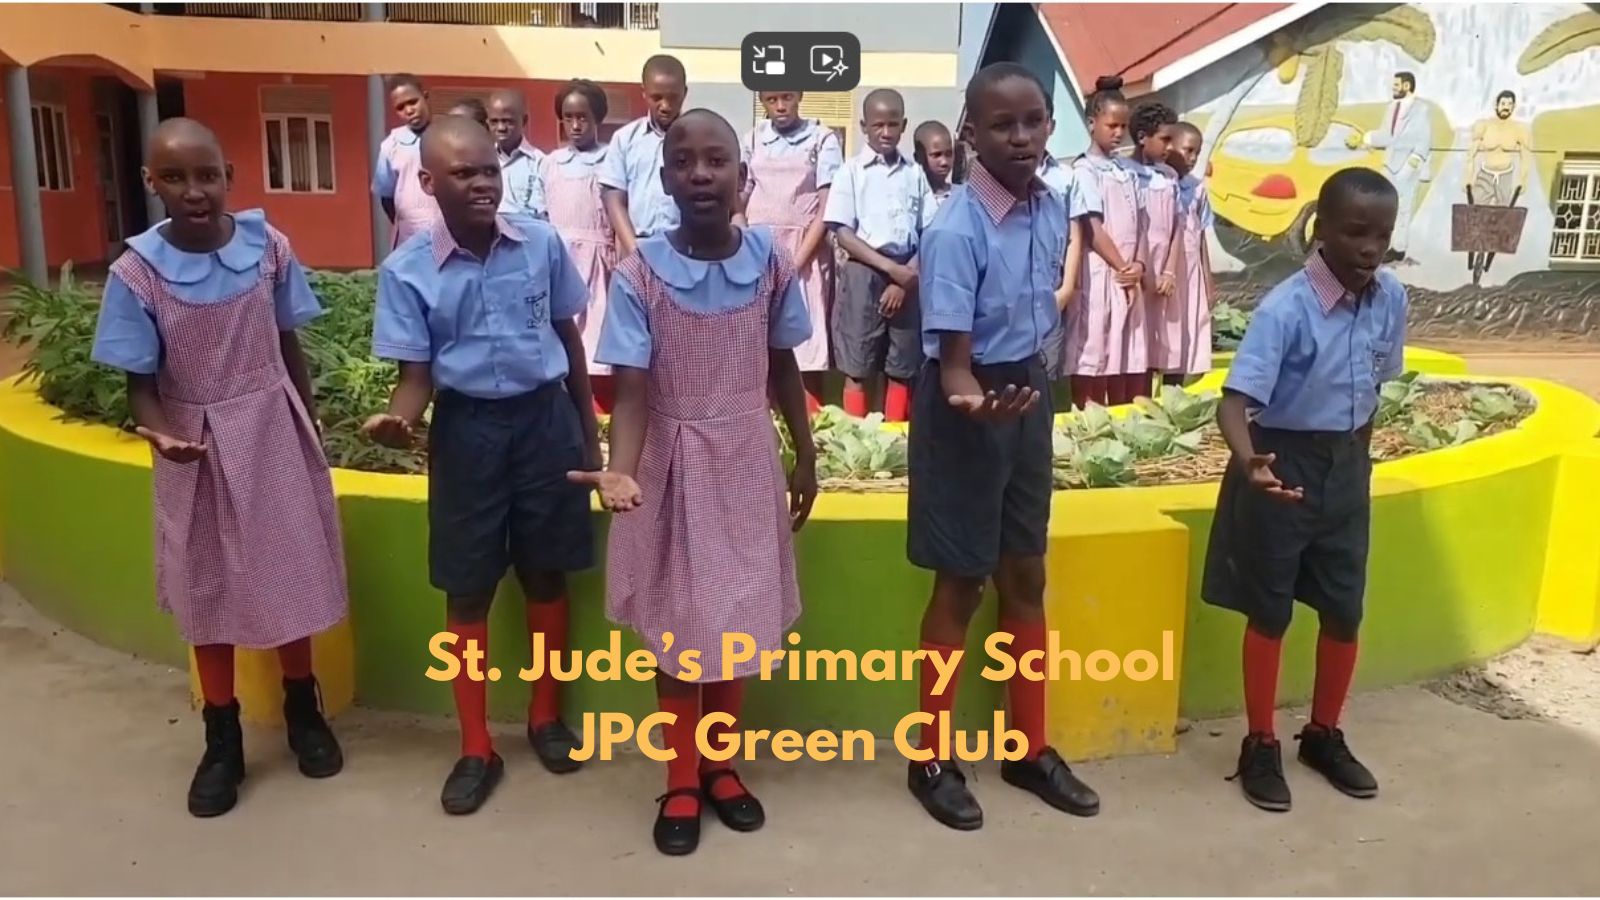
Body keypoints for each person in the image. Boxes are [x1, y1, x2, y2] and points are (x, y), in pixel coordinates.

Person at [572, 109, 818, 856]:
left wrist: (803, 455)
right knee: (680, 634)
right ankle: (682, 776)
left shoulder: (771, 263)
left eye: (717, 161)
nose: (701, 174)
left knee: (736, 625)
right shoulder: (639, 271)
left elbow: (783, 367)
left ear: (744, 178)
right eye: (685, 162)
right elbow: (635, 390)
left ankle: (721, 765)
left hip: (743, 460)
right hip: (670, 466)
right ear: (665, 178)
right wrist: (621, 467)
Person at [89, 118, 347, 818]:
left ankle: (302, 706)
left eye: (206, 175)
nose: (194, 191)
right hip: (194, 440)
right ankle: (222, 734)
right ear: (151, 182)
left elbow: (288, 343)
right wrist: (159, 433)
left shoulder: (269, 249)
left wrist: (309, 422)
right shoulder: (136, 272)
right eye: (174, 177)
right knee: (207, 587)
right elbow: (139, 379)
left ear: (228, 175)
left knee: (287, 568)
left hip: (270, 426)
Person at [363, 116, 602, 815]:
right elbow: (416, 376)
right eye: (463, 174)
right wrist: (399, 418)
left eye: (490, 170)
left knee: (546, 571)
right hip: (467, 432)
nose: (481, 184)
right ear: (428, 183)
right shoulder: (408, 271)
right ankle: (474, 746)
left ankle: (544, 716)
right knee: (467, 587)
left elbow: (570, 340)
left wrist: (588, 435)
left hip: (544, 421)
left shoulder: (541, 244)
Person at [905, 62, 1099, 832]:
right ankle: (931, 756)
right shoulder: (956, 226)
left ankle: (1027, 746)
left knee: (1028, 570)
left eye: (1035, 120)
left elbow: (1039, 315)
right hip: (966, 404)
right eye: (1002, 125)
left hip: (1022, 396)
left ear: (1051, 124)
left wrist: (1023, 400)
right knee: (963, 581)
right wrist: (968, 399)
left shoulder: (1050, 209)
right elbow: (952, 360)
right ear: (971, 135)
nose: (1021, 137)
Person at [1203, 167, 1405, 813]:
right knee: (1272, 612)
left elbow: (1376, 385)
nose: (1370, 247)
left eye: (1382, 234)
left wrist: (1357, 461)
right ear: (1321, 230)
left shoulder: (1391, 297)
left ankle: (1323, 734)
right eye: (1355, 232)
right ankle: (1260, 743)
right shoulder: (1285, 308)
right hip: (1278, 464)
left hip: (1346, 468)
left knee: (1345, 607)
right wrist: (1251, 464)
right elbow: (1233, 405)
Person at [824, 88, 937, 421]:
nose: (885, 133)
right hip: (865, 271)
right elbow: (843, 233)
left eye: (892, 125)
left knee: (901, 365)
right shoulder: (851, 172)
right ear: (864, 126)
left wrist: (906, 277)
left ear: (903, 125)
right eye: (878, 125)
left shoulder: (914, 174)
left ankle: (895, 437)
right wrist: (889, 268)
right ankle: (856, 436)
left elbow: (929, 230)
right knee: (857, 363)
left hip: (908, 274)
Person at [738, 90, 844, 412]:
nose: (780, 106)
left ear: (799, 96)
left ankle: (810, 430)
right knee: (758, 345)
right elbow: (739, 198)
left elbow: (827, 207)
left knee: (806, 347)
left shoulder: (821, 139)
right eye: (771, 100)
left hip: (805, 255)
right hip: (759, 255)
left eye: (787, 97)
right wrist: (747, 248)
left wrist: (794, 264)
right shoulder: (753, 140)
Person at [530, 79, 617, 413]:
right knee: (564, 335)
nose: (576, 125)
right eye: (569, 117)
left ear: (597, 118)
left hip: (600, 260)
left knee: (598, 335)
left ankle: (601, 409)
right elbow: (541, 216)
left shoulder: (610, 159)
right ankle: (566, 406)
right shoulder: (549, 164)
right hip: (561, 259)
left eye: (584, 117)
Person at [1068, 75, 1145, 409]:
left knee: (1125, 349)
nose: (1118, 133)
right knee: (1095, 346)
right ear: (1091, 124)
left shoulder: (1128, 171)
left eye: (1123, 126)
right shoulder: (1084, 171)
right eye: (1112, 125)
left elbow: (1142, 223)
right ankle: (1089, 416)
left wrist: (1139, 265)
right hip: (1101, 274)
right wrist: (1122, 266)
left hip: (1129, 276)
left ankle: (1123, 416)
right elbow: (1092, 228)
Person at [600, 54, 688, 258]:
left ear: (684, 93)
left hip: (686, 250)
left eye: (673, 97)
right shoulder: (625, 139)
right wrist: (634, 251)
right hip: (638, 245)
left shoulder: (697, 138)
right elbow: (614, 200)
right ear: (644, 93)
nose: (665, 106)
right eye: (657, 97)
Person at [1347, 71, 1430, 264]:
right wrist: (1365, 138)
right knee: (1383, 205)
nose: (1393, 88)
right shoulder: (1392, 107)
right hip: (1390, 163)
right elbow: (1386, 134)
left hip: (1407, 166)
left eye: (1396, 85)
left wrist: (1412, 164)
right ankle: (1381, 243)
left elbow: (1424, 139)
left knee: (1403, 208)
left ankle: (1399, 248)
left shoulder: (1421, 109)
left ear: (1407, 86)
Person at [1131, 101, 1181, 401]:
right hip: (1139, 272)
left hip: (1163, 275)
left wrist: (1170, 270)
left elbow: (1176, 229)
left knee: (1164, 340)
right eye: (1164, 139)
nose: (1169, 147)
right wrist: (1142, 269)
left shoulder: (1169, 177)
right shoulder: (1125, 174)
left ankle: (1164, 402)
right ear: (1141, 137)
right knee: (1137, 343)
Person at [1163, 122, 1216, 384]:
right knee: (1164, 333)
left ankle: (1174, 389)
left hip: (1190, 274)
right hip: (1167, 273)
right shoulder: (1159, 184)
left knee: (1186, 332)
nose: (1193, 158)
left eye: (1197, 152)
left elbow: (1202, 236)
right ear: (1169, 147)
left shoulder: (1197, 189)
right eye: (1188, 150)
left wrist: (1207, 279)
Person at [1464, 89, 1533, 279]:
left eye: (1510, 105)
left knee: (1502, 218)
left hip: (1505, 175)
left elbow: (1525, 156)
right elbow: (1471, 153)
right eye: (1503, 103)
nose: (1506, 107)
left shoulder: (1518, 129)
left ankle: (1489, 257)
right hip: (1486, 174)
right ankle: (1473, 254)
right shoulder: (1485, 126)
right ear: (1497, 105)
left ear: (1513, 107)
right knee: (1476, 214)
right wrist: (1467, 177)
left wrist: (1523, 179)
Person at [373, 73, 441, 250]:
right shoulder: (391, 146)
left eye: (413, 102)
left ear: (425, 97)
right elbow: (386, 197)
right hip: (409, 239)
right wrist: (406, 221)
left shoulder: (447, 136)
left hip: (447, 235)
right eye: (400, 107)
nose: (409, 110)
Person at [487, 88, 545, 217]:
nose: (501, 128)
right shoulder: (483, 161)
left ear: (524, 121)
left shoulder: (539, 163)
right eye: (494, 122)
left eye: (507, 121)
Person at [913, 119, 956, 217]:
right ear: (918, 157)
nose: (944, 162)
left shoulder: (962, 196)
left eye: (949, 154)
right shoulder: (912, 198)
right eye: (936, 155)